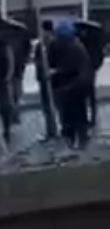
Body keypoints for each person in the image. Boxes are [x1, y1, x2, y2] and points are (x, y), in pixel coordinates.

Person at [46, 19, 92, 149]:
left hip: (77, 85)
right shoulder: (58, 45)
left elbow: (72, 67)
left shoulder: (75, 47)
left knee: (75, 114)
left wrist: (56, 72)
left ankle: (79, 139)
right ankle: (71, 139)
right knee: (68, 115)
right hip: (68, 85)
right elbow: (52, 61)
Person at [75, 20, 105, 127]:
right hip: (88, 70)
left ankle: (89, 118)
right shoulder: (91, 42)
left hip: (87, 70)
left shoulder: (86, 42)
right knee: (88, 95)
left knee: (86, 95)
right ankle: (90, 117)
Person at [34, 28, 58, 141]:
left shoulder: (54, 44)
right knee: (46, 107)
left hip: (53, 80)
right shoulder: (39, 45)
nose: (42, 34)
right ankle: (50, 131)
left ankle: (57, 130)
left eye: (44, 31)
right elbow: (36, 60)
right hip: (43, 79)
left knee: (53, 105)